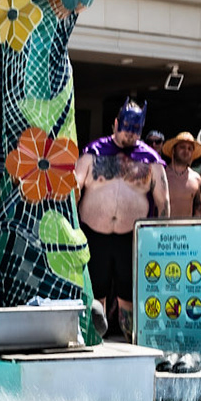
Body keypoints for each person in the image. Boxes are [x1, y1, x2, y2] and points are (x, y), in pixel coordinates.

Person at [76, 100, 168, 339]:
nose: (129, 133)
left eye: (135, 130)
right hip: (94, 236)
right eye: (126, 127)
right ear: (116, 124)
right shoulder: (93, 152)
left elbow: (163, 202)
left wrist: (159, 237)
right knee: (95, 296)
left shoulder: (150, 160)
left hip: (131, 239)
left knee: (128, 297)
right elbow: (73, 189)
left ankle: (131, 341)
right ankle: (93, 340)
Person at [161, 132, 201, 218]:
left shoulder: (196, 179)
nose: (186, 151)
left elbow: (199, 210)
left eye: (189, 149)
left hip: (188, 226)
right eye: (182, 147)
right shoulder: (162, 174)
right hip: (163, 226)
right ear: (174, 150)